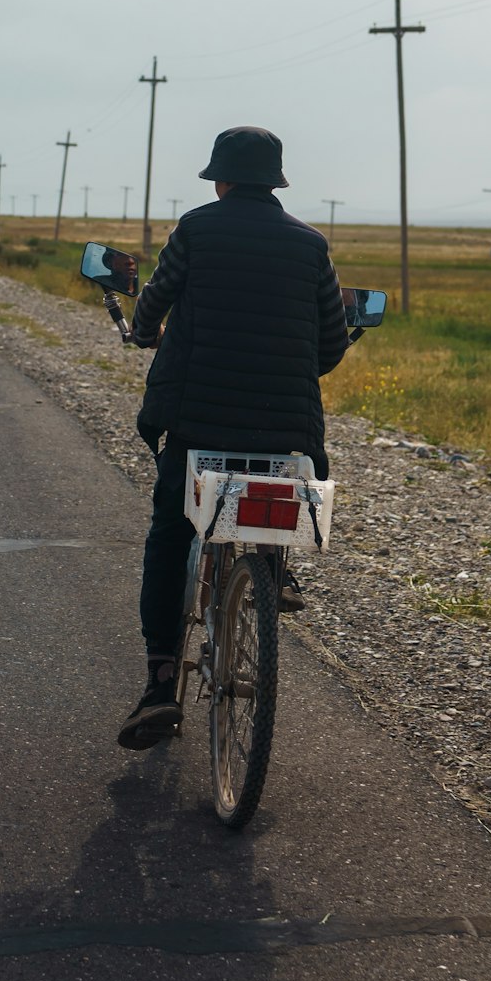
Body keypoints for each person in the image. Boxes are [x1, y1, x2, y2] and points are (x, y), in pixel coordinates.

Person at [118, 126, 349, 750]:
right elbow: (329, 346)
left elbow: (155, 303)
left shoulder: (195, 228)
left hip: (198, 424)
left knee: (171, 531)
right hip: (286, 432)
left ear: (220, 179)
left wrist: (143, 331)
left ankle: (160, 683)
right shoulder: (311, 245)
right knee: (286, 488)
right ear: (276, 182)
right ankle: (275, 569)